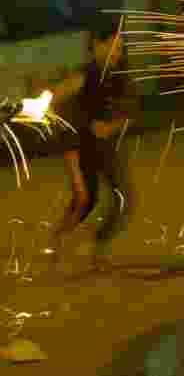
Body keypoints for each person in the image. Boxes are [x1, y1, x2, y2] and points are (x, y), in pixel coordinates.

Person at [44, 21, 138, 270]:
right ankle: (57, 241)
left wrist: (112, 127)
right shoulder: (83, 75)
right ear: (98, 45)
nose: (118, 53)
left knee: (122, 200)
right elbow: (56, 103)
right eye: (114, 47)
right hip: (79, 146)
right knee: (85, 200)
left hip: (105, 147)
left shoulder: (120, 76)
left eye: (121, 48)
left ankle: (96, 249)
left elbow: (129, 110)